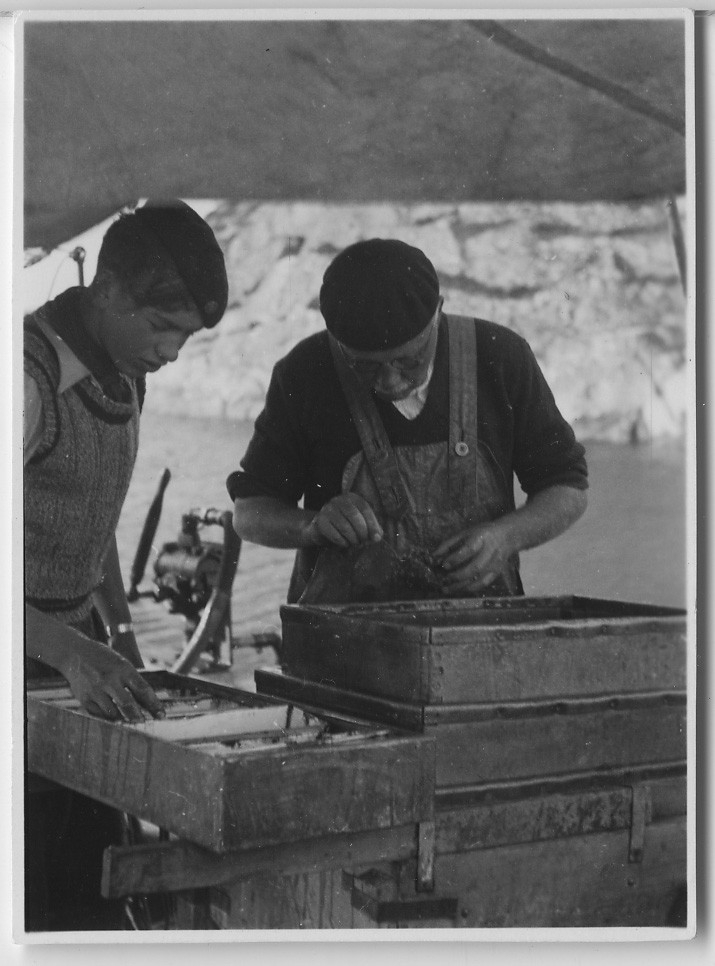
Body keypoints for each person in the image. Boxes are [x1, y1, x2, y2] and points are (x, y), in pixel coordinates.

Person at [24, 199, 228, 930]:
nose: (171, 352)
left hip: (67, 654)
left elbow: (91, 517)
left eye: (186, 336)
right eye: (162, 326)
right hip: (37, 656)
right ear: (107, 291)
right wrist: (73, 651)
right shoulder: (24, 380)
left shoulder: (124, 371)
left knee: (91, 892)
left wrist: (118, 635)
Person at [229, 238, 587, 605]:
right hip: (342, 628)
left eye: (408, 361)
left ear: (438, 313)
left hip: (479, 623)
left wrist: (507, 537)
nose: (389, 382)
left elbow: (568, 488)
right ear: (336, 340)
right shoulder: (304, 371)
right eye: (363, 365)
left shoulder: (501, 356)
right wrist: (312, 526)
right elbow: (249, 513)